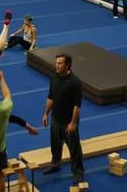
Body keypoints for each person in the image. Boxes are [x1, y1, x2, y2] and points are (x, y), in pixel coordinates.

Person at [42, 54, 85, 184]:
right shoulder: (54, 76)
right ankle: (55, 164)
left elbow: (77, 106)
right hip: (56, 119)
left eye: (60, 63)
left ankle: (78, 172)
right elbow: (51, 97)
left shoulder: (75, 82)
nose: (57, 65)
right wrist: (46, 114)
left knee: (74, 148)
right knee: (55, 145)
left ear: (67, 66)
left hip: (68, 122)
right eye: (56, 63)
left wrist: (73, 123)